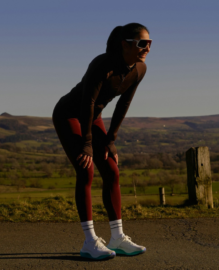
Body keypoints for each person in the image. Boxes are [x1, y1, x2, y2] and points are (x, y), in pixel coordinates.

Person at [52, 23, 151, 260]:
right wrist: (87, 143)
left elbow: (123, 104)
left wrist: (110, 140)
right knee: (86, 171)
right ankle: (89, 242)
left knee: (112, 171)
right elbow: (87, 103)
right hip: (70, 115)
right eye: (141, 43)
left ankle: (117, 238)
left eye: (149, 43)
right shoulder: (102, 64)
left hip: (92, 118)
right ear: (124, 44)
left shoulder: (139, 69)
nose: (147, 48)